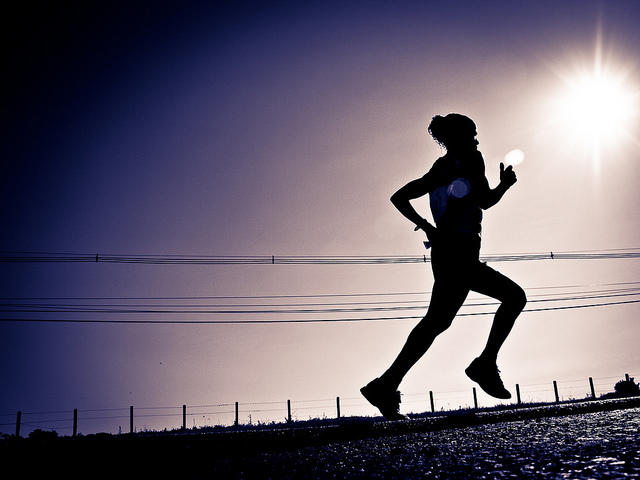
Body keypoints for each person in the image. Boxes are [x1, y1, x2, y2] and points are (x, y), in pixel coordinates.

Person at [361, 113, 527, 420]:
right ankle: (485, 364)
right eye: (471, 132)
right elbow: (485, 201)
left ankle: (385, 385)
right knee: (514, 297)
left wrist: (429, 227)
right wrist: (504, 186)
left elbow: (399, 197)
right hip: (459, 250)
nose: (477, 137)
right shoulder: (471, 158)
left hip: (445, 252)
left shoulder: (438, 169)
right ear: (456, 137)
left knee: (436, 322)